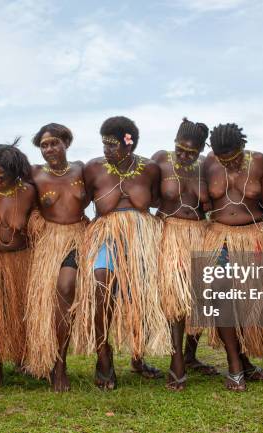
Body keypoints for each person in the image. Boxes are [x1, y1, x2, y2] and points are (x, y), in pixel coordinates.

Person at [72, 116, 171, 390]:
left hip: (140, 235)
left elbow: (158, 201)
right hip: (106, 233)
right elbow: (79, 203)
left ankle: (138, 357)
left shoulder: (149, 168)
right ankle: (104, 355)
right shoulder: (93, 168)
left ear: (129, 144)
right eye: (104, 144)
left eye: (112, 146)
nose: (106, 151)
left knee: (139, 296)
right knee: (101, 285)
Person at [203, 123, 263, 391]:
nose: (229, 162)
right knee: (220, 293)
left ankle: (245, 358)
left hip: (253, 235)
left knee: (247, 302)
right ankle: (233, 363)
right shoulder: (207, 164)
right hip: (220, 237)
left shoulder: (258, 161)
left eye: (233, 156)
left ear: (242, 147)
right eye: (223, 158)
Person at [152, 118, 217, 391]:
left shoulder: (206, 166)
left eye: (192, 152)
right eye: (181, 148)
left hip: (200, 232)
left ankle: (190, 355)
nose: (184, 155)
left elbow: (214, 200)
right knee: (176, 297)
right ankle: (175, 359)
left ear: (201, 149)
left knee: (200, 295)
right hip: (170, 232)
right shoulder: (160, 160)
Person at [24, 123, 89, 392]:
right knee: (47, 305)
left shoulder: (81, 169)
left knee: (66, 288)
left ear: (66, 143)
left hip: (76, 238)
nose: (49, 149)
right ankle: (44, 357)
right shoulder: (34, 174)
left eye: (54, 143)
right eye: (44, 145)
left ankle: (60, 363)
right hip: (48, 242)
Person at [0, 140, 35, 387]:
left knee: (22, 310)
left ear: (16, 174)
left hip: (23, 260)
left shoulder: (30, 192)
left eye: (2, 177)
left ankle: (24, 358)